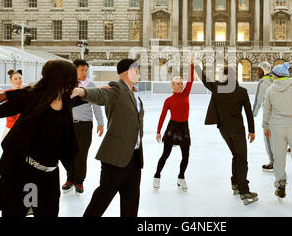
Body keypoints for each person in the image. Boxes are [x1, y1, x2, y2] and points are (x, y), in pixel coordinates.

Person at [0, 60, 84, 217]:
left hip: (50, 176)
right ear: (61, 79)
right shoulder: (33, 97)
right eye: (72, 79)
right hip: (26, 173)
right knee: (17, 211)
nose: (76, 82)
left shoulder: (65, 99)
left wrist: (87, 92)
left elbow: (85, 95)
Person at [72, 58, 144, 217]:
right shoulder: (117, 88)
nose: (139, 75)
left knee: (131, 203)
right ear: (128, 72)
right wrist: (83, 92)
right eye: (137, 71)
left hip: (134, 157)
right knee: (101, 200)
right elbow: (101, 94)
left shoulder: (135, 94)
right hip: (116, 157)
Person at [195, 62, 257, 205]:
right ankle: (244, 190)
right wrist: (252, 131)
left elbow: (204, 80)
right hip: (237, 131)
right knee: (242, 159)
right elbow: (249, 113)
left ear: (225, 76)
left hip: (224, 130)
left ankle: (235, 183)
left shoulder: (218, 88)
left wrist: (195, 66)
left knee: (236, 155)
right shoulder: (242, 91)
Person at [262, 62, 292, 201]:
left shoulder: (270, 89)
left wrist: (266, 126)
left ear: (276, 75)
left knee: (279, 158)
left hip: (276, 127)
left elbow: (267, 110)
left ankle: (280, 186)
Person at [62, 59, 104, 195]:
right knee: (69, 153)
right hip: (68, 125)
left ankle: (79, 181)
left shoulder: (90, 85)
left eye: (86, 70)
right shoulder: (67, 85)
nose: (84, 72)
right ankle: (70, 178)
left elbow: (97, 104)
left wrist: (100, 123)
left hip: (85, 125)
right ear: (74, 70)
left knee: (81, 154)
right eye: (81, 70)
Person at [153, 56, 194, 191]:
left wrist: (191, 64)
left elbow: (191, 80)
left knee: (186, 155)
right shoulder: (169, 100)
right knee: (165, 154)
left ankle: (181, 178)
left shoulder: (186, 94)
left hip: (184, 127)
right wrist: (158, 131)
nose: (180, 85)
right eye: (177, 83)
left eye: (181, 83)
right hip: (173, 127)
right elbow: (163, 116)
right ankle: (157, 176)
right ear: (172, 86)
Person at [252, 61, 274, 172]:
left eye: (259, 70)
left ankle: (273, 163)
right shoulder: (275, 80)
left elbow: (258, 101)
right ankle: (279, 162)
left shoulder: (263, 83)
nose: (257, 72)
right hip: (280, 116)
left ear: (264, 70)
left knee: (269, 139)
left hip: (269, 118)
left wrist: (252, 114)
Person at [0, 69, 23, 142]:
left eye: (20, 78)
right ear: (11, 80)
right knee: (4, 143)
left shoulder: (26, 92)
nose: (18, 80)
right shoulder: (6, 93)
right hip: (10, 125)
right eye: (15, 78)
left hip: (22, 126)